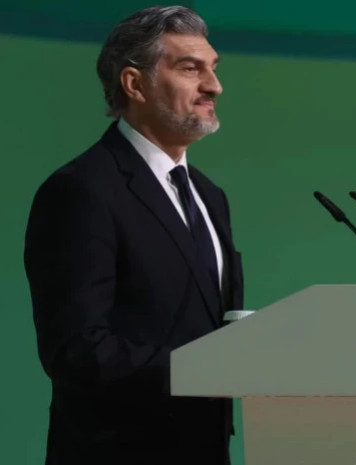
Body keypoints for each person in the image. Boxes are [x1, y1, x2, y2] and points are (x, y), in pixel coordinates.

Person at [24, 6, 242, 465]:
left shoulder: (210, 196)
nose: (214, 86)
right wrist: (205, 369)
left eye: (213, 68)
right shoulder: (82, 190)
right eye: (191, 69)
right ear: (134, 84)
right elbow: (77, 350)